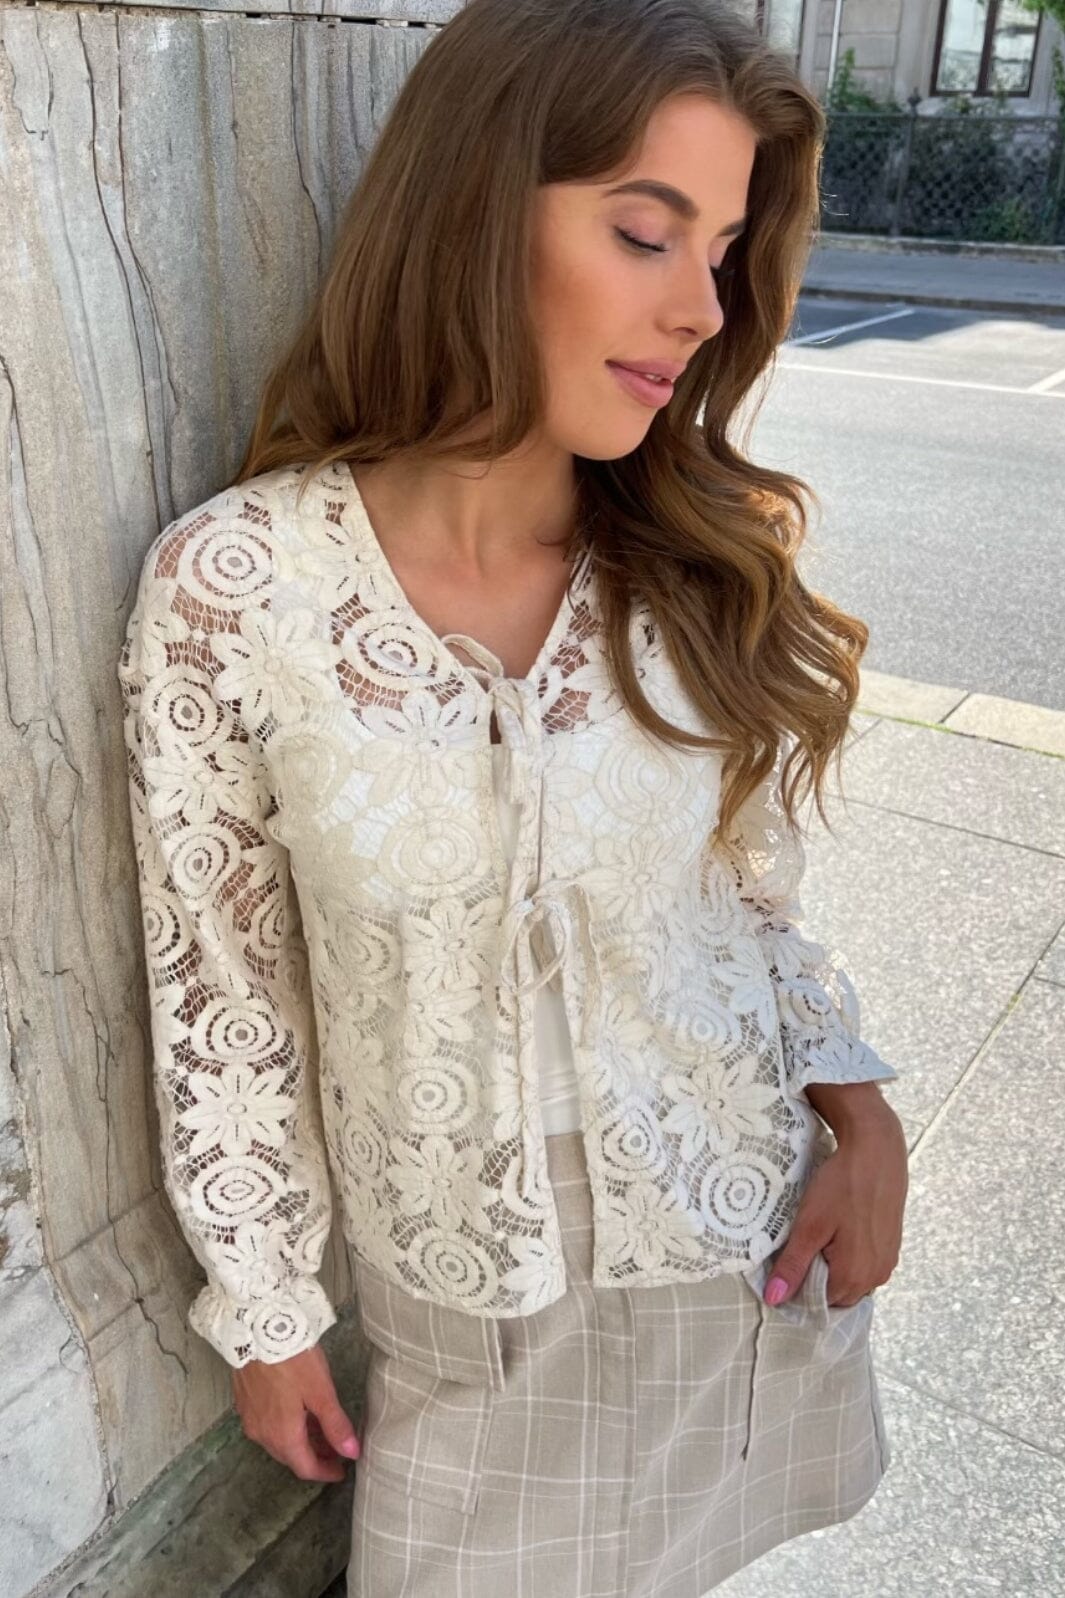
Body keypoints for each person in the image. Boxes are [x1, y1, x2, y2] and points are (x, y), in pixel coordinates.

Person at [117, 1, 909, 1592]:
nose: (699, 307)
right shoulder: (237, 589)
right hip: (465, 1316)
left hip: (737, 1261)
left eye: (722, 252)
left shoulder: (685, 573)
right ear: (475, 211)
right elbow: (223, 992)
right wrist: (264, 1310)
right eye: (645, 233)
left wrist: (862, 1111)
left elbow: (748, 905)